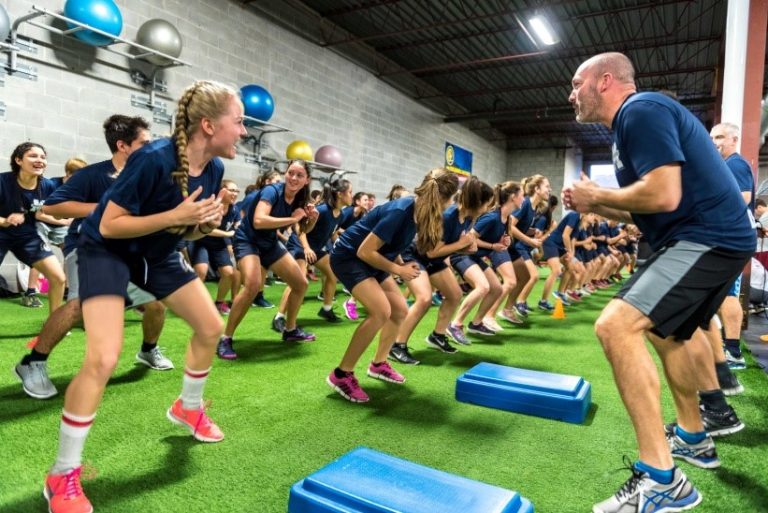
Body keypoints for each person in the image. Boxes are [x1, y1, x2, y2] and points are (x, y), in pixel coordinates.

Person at [564, 52, 755, 513]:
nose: (571, 94)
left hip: (706, 236)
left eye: (576, 84)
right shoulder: (628, 129)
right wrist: (598, 204)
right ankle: (693, 435)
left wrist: (597, 193)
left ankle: (663, 480)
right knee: (667, 333)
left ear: (605, 81)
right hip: (708, 237)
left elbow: (663, 194)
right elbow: (648, 208)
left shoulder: (640, 110)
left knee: (615, 326)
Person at [43, 80, 246, 513]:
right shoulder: (152, 159)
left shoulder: (211, 169)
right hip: (106, 252)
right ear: (209, 125)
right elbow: (111, 224)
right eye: (240, 121)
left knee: (211, 326)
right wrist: (177, 215)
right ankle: (61, 474)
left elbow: (182, 228)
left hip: (157, 252)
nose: (244, 131)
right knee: (103, 357)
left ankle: (187, 408)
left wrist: (202, 225)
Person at [14, 115, 173, 401]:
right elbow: (55, 206)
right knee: (77, 305)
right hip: (88, 247)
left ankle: (148, 350)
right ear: (123, 145)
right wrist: (105, 207)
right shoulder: (94, 175)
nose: (152, 149)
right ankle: (32, 363)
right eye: (145, 144)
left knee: (156, 305)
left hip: (125, 254)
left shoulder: (151, 176)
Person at [327, 168, 459, 403]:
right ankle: (342, 374)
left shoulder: (420, 211)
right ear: (445, 199)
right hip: (349, 257)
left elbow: (392, 243)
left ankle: (378, 364)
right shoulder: (401, 210)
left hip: (373, 259)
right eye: (451, 200)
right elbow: (364, 250)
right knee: (381, 312)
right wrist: (398, 270)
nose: (451, 205)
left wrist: (399, 262)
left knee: (399, 311)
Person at [219, 159, 318, 358]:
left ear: (307, 180)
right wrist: (292, 219)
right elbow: (258, 220)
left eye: (299, 175)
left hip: (269, 243)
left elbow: (302, 230)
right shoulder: (272, 191)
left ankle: (290, 330)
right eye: (291, 173)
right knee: (253, 285)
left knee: (300, 283)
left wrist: (312, 219)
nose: (293, 178)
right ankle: (225, 338)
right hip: (248, 240)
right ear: (285, 173)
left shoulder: (300, 199)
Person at [389, 176, 492, 364]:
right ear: (478, 203)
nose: (488, 209)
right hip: (415, 255)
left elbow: (450, 246)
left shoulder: (468, 218)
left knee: (454, 294)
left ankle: (437, 335)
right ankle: (397, 345)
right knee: (424, 298)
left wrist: (467, 246)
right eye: (486, 204)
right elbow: (432, 251)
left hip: (433, 258)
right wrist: (461, 244)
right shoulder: (449, 216)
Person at [0, 143, 67, 313]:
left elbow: (53, 211)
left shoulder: (48, 186)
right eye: (33, 156)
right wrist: (4, 221)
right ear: (18, 160)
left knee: (58, 278)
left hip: (26, 236)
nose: (40, 160)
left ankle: (54, 322)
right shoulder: (2, 181)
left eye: (43, 157)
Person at [710, 122, 754, 370]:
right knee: (721, 294)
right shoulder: (725, 165)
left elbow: (743, 198)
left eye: (720, 137)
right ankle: (728, 348)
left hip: (733, 239)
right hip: (726, 238)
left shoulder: (735, 163)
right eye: (712, 137)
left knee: (727, 294)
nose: (715, 142)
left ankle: (734, 353)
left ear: (734, 139)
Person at [188, 179, 241, 315]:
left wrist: (238, 227)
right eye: (232, 190)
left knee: (228, 273)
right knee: (201, 271)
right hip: (200, 240)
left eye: (237, 191)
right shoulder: (212, 205)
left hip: (218, 244)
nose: (235, 194)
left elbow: (236, 224)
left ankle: (219, 302)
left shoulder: (234, 209)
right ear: (222, 191)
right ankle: (195, 303)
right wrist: (227, 233)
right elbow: (206, 228)